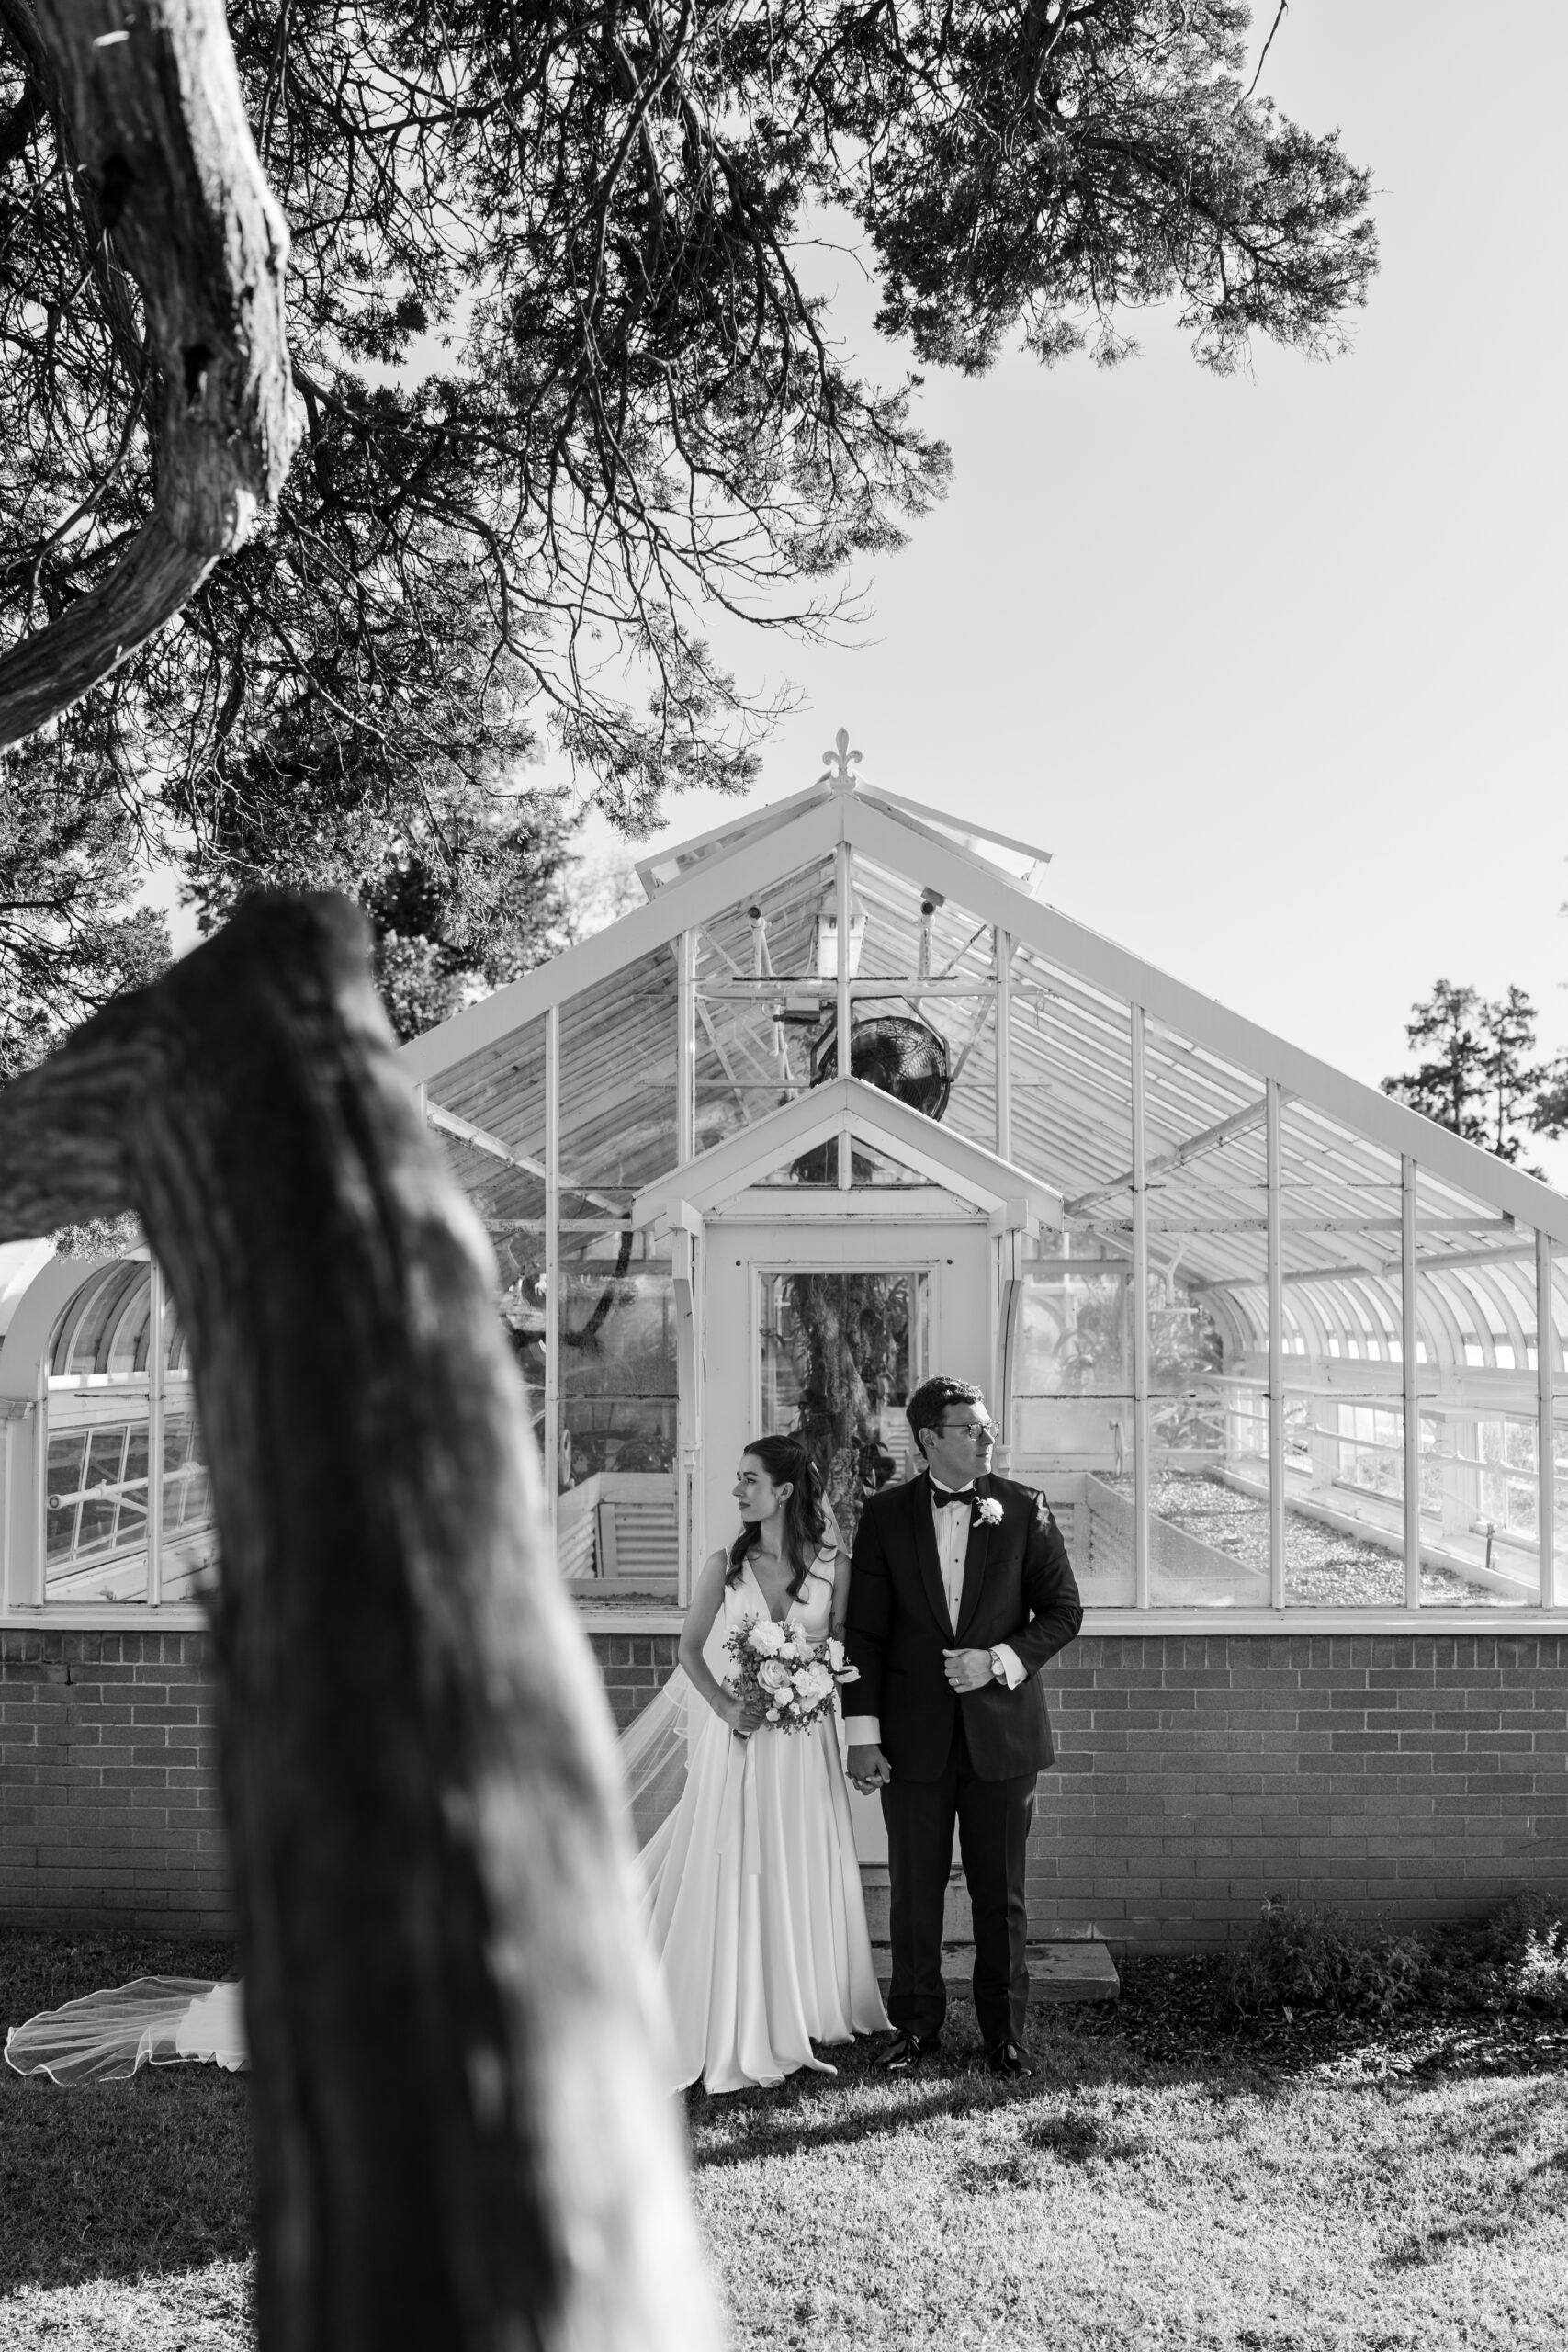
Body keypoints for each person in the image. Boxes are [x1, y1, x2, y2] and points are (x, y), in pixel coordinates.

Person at [844, 1376, 1082, 2078]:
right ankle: (915, 2027)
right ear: (928, 1439)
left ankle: (1003, 2034)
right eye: (972, 1428)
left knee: (998, 1892)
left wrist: (997, 1661)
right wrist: (863, 1732)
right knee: (913, 1891)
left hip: (1003, 1737)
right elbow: (866, 1633)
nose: (988, 1437)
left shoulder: (1023, 1509)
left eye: (989, 1426)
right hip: (910, 1739)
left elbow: (1063, 1612)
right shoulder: (884, 1517)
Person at [636, 1434, 888, 2093]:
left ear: (784, 1490)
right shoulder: (722, 1565)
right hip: (740, 1738)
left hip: (804, 1743)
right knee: (736, 1858)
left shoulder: (836, 1565)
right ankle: (735, 2001)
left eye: (749, 1479)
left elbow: (843, 1650)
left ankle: (803, 2001)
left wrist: (815, 1684)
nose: (737, 1490)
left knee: (798, 1856)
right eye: (737, 1478)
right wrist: (724, 1706)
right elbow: (689, 1650)